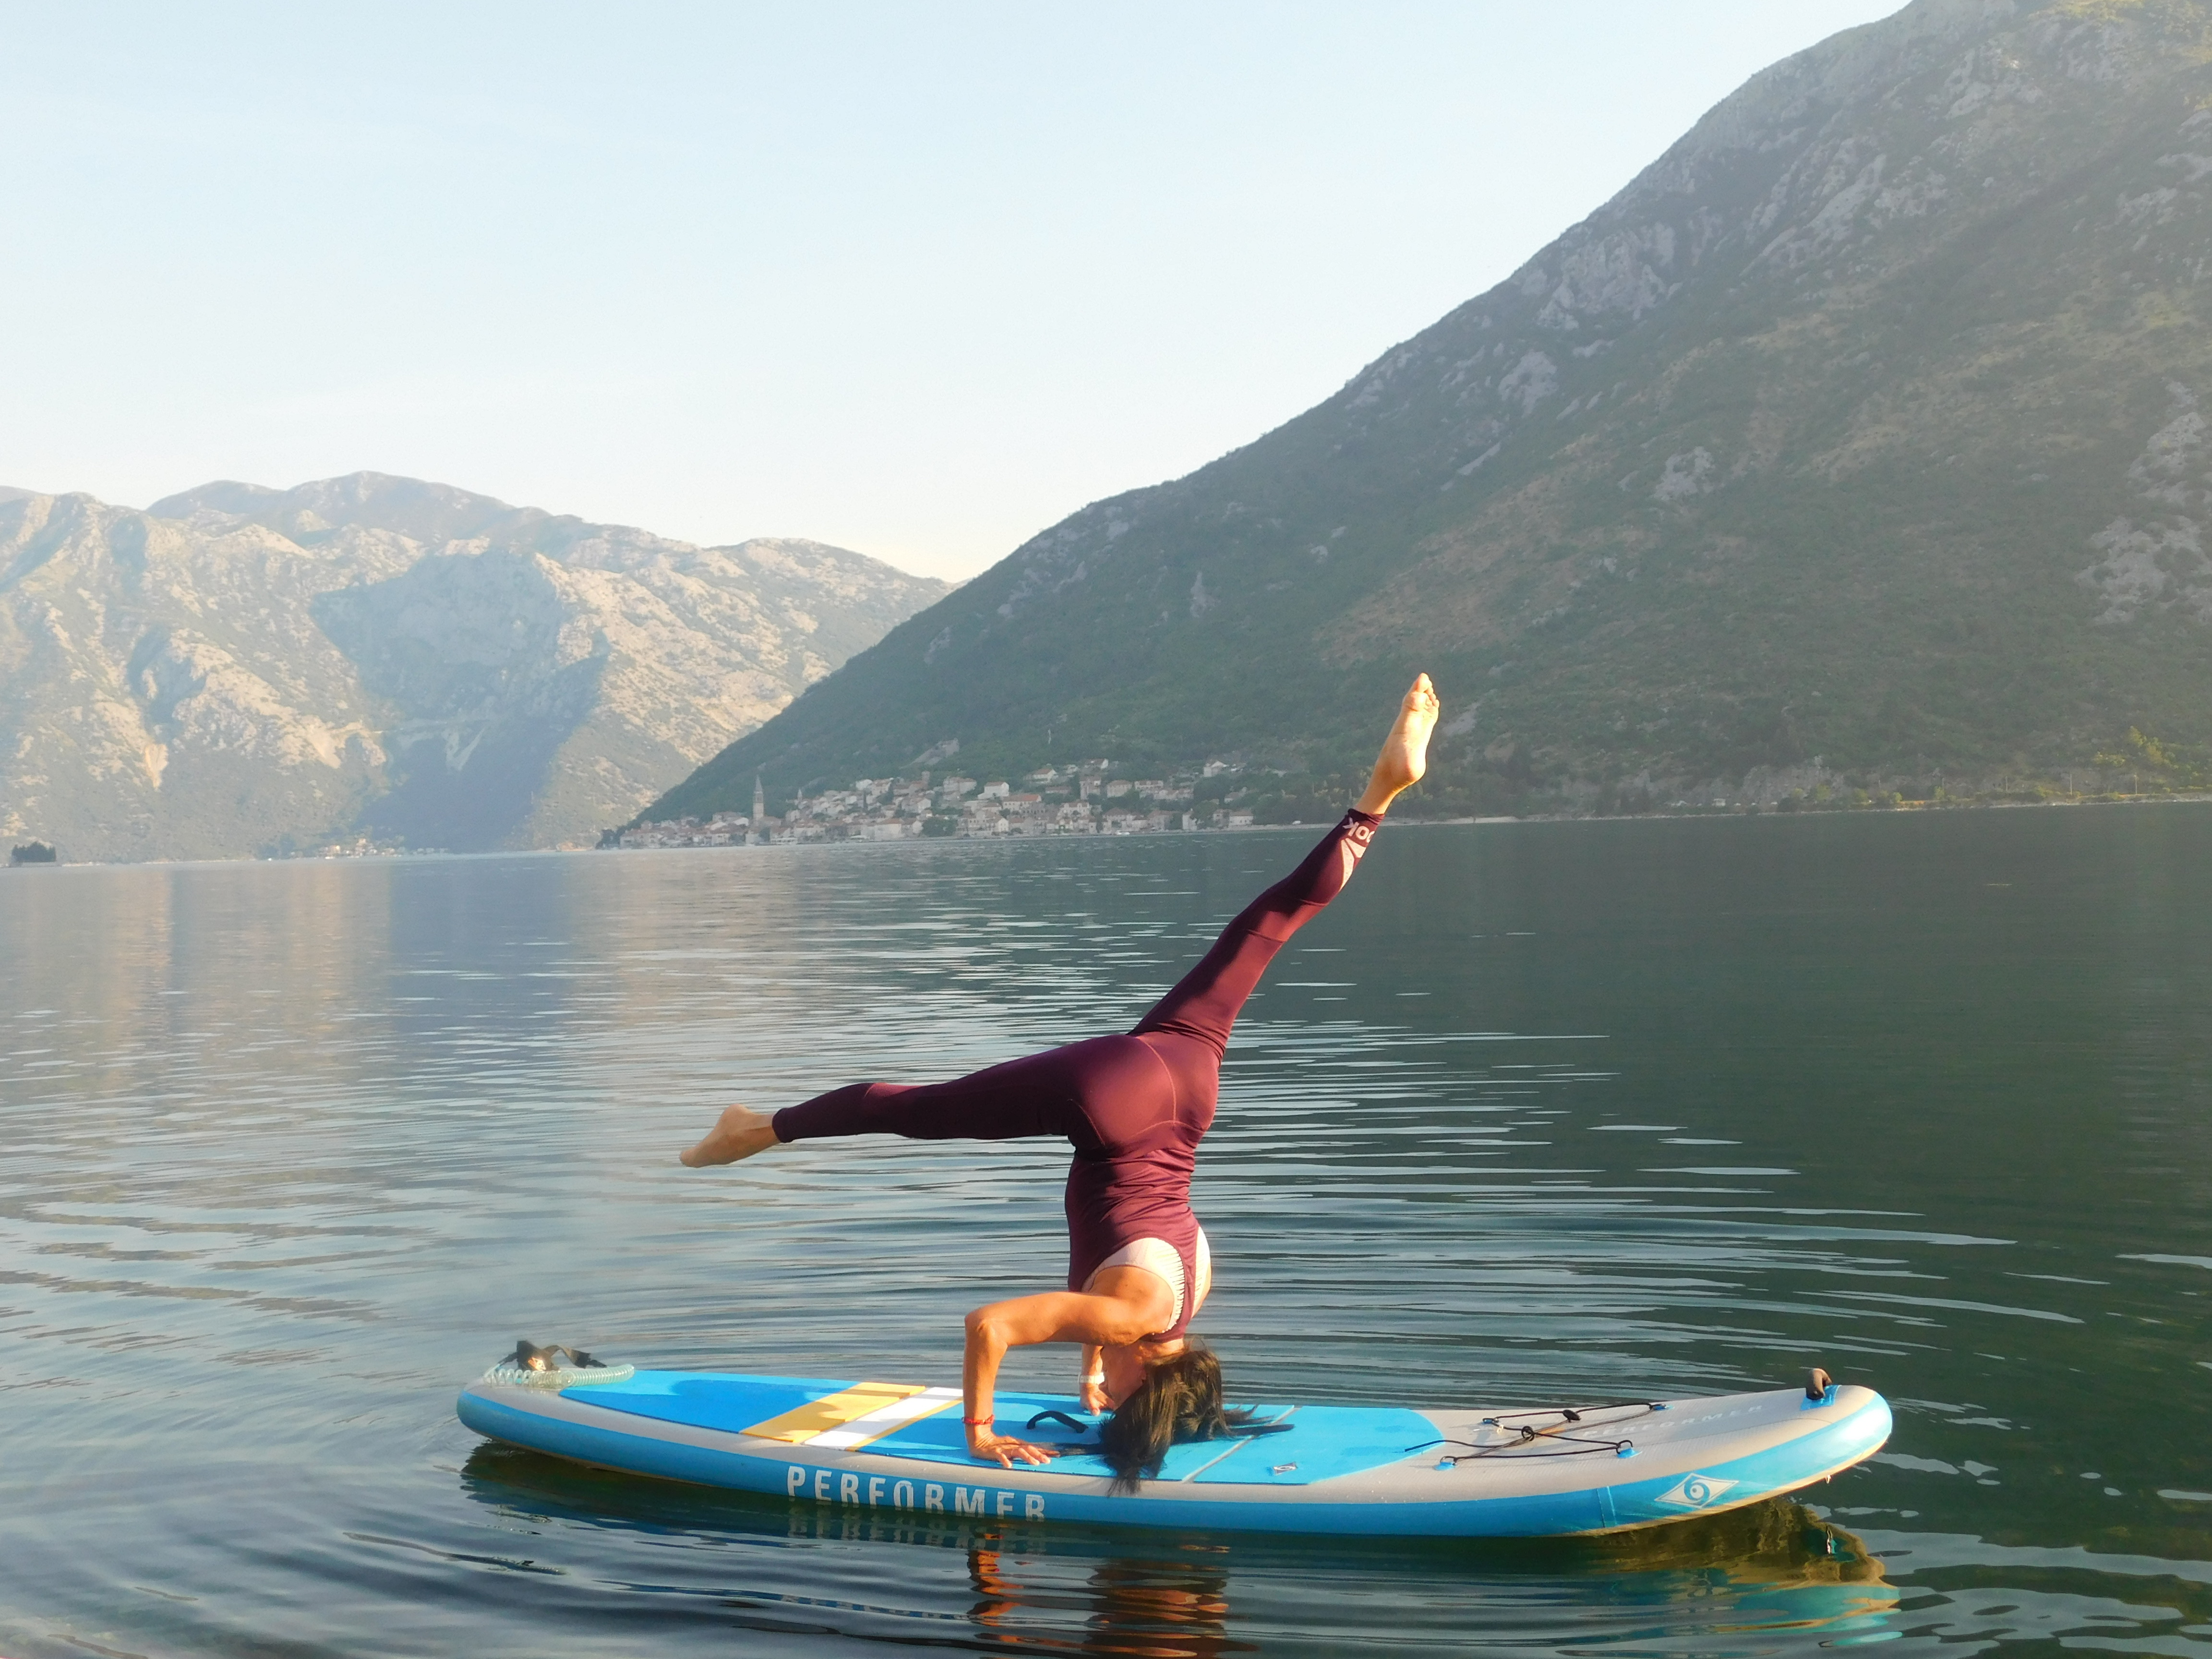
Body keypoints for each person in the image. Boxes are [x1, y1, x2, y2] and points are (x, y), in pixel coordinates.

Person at [681, 674, 1441, 1484]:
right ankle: (756, 1128)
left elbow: (1120, 1259)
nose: (1106, 1400)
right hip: (1111, 1098)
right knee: (914, 1110)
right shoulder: (1128, 1319)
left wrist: (1091, 1360)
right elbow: (991, 1326)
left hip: (1186, 1089)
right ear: (1145, 1372)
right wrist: (980, 1433)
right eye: (1121, 1398)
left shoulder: (1184, 1303)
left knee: (1267, 927)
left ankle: (1376, 801)